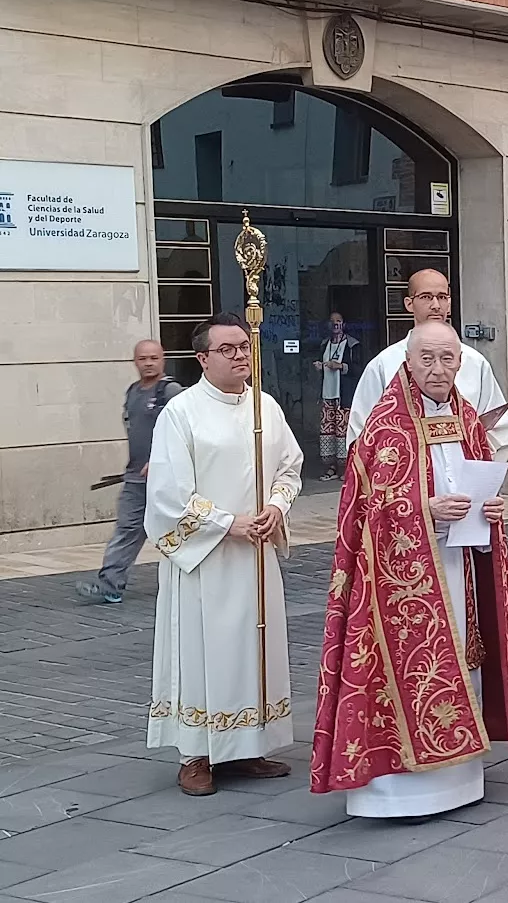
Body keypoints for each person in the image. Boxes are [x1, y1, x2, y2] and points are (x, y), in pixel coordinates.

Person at [312, 321, 508, 820]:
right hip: (395, 582)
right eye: (427, 359)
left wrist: (491, 507)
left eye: (447, 359)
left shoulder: (468, 419)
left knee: (458, 657)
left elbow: (482, 480)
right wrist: (424, 510)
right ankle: (398, 786)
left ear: (461, 363)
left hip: (458, 565)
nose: (437, 370)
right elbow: (361, 508)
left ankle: (457, 778)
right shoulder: (385, 426)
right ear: (408, 362)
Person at [145, 313, 303, 796]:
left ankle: (247, 745)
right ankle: (195, 754)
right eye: (228, 349)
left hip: (255, 556)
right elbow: (170, 494)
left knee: (254, 649)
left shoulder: (267, 407)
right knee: (202, 650)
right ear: (202, 358)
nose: (240, 355)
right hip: (206, 560)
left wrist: (276, 507)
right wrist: (226, 523)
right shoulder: (182, 413)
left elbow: (289, 468)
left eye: (244, 347)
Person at [348, 269, 508, 463]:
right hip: (405, 486)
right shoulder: (383, 365)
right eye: (426, 297)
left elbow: (500, 428)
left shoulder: (475, 363)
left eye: (442, 297)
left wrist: (477, 465)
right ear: (409, 304)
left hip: (465, 483)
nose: (436, 305)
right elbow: (361, 435)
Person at [77, 340, 182, 604]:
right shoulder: (133, 392)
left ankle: (194, 582)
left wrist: (160, 460)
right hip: (136, 479)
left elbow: (187, 431)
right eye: (143, 358)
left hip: (168, 480)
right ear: (135, 361)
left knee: (180, 531)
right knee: (126, 530)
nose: (148, 363)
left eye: (154, 358)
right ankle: (111, 585)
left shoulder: (171, 392)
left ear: (163, 359)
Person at [314, 312, 362, 480]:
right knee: (328, 432)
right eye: (332, 322)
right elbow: (318, 361)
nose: (335, 325)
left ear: (344, 324)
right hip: (328, 395)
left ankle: (346, 468)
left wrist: (341, 366)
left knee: (344, 432)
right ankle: (331, 467)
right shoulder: (324, 344)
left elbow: (359, 369)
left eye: (339, 321)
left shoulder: (352, 345)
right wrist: (319, 365)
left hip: (343, 396)